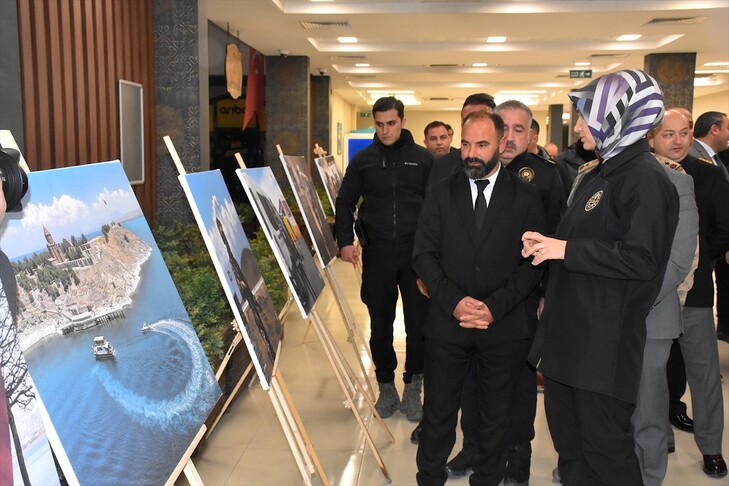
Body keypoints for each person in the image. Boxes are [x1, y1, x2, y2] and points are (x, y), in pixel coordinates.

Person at [522, 69, 679, 486]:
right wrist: (549, 245)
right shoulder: (597, 174)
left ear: (618, 116)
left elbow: (644, 260)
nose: (577, 127)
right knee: (572, 455)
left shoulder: (646, 179)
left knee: (606, 457)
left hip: (602, 348)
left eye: (586, 117)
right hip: (570, 342)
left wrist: (566, 250)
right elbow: (588, 244)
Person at [414, 110, 546, 486]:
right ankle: (429, 479)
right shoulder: (441, 192)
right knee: (437, 416)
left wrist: (494, 307)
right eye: (466, 144)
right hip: (447, 324)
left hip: (502, 328)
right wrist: (455, 302)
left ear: (502, 144)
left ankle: (487, 479)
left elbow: (534, 263)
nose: (471, 153)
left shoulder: (526, 197)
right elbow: (423, 254)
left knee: (495, 419)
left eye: (482, 145)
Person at [443, 99, 565, 485]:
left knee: (520, 381)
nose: (510, 137)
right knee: (472, 378)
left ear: (530, 135)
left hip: (522, 299)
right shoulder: (464, 173)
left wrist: (547, 297)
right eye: (504, 128)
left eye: (518, 129)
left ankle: (518, 451)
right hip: (473, 300)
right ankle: (474, 446)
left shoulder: (546, 177)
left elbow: (556, 241)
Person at [335, 96, 432, 421]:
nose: (385, 130)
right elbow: (345, 201)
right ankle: (386, 387)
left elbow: (438, 208)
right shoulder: (364, 160)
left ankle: (413, 388)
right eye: (379, 124)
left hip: (416, 257)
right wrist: (345, 242)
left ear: (402, 121)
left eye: (391, 123)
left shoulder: (423, 159)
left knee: (419, 327)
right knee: (380, 326)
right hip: (378, 255)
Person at [649, 109, 729, 479]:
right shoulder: (645, 175)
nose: (678, 141)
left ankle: (712, 448)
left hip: (695, 294)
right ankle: (660, 436)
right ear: (651, 138)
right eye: (668, 134)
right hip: (654, 293)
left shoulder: (708, 176)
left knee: (705, 375)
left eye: (684, 133)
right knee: (654, 374)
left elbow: (721, 231)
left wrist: (691, 265)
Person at [630, 148, 699, 485]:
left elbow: (679, 260)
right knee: (603, 413)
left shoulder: (675, 180)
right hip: (600, 319)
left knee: (647, 414)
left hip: (651, 315)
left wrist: (630, 303)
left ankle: (649, 478)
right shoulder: (591, 176)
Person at [427, 93, 496, 187]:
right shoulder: (442, 166)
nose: (474, 126)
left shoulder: (508, 164)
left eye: (480, 119)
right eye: (468, 120)